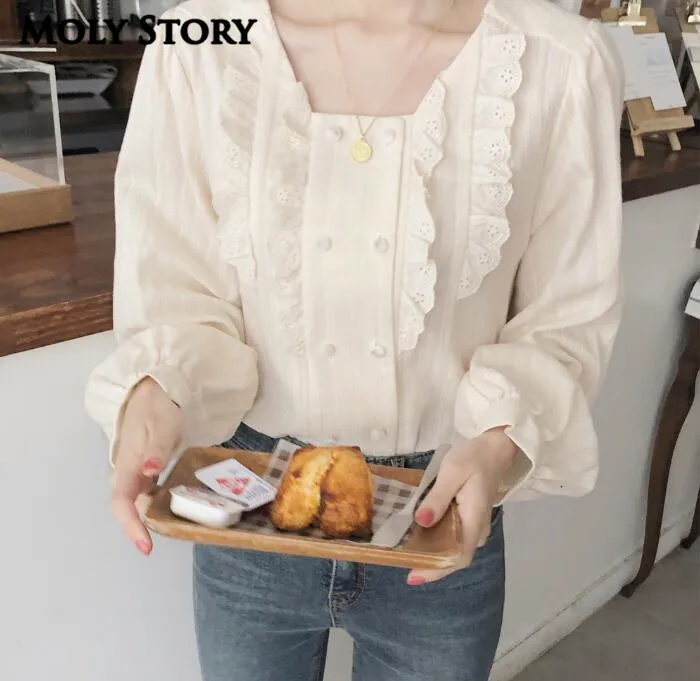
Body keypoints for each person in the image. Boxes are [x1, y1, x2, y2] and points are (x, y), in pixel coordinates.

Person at [84, 0, 625, 678]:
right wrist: (156, 395)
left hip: (440, 514)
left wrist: (501, 443)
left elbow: (565, 317)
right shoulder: (196, 46)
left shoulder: (561, 60)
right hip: (247, 507)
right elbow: (177, 288)